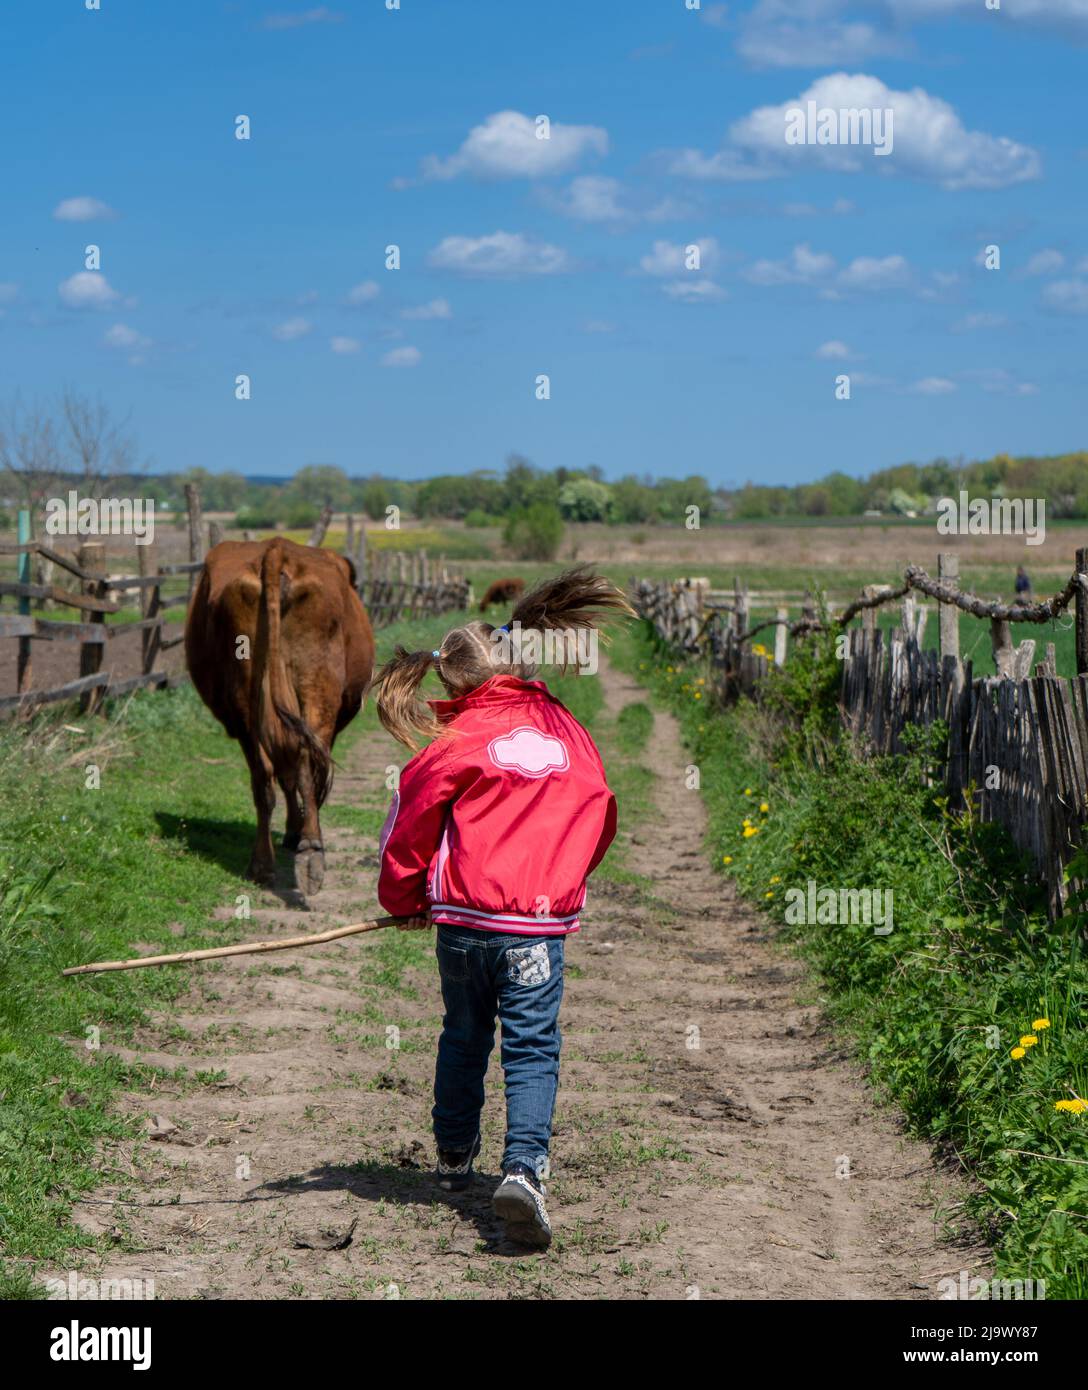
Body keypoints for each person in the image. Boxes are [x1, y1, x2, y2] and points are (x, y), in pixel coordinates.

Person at [372, 569, 634, 1248]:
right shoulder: (566, 731)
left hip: (461, 923)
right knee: (532, 1046)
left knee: (463, 1034)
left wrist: (404, 899)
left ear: (452, 683)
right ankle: (522, 1170)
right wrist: (565, 874)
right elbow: (600, 806)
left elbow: (411, 823)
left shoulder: (453, 740)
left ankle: (455, 1157)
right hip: (534, 931)